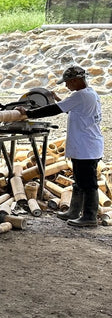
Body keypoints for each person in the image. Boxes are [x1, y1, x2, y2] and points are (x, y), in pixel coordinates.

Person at [16, 65, 103, 227]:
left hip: (85, 147)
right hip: (89, 145)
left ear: (76, 80)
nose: (66, 85)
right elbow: (74, 110)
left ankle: (89, 217)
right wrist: (58, 99)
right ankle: (74, 211)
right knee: (79, 181)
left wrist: (28, 113)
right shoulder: (90, 93)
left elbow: (53, 110)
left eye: (67, 82)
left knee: (88, 184)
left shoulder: (80, 95)